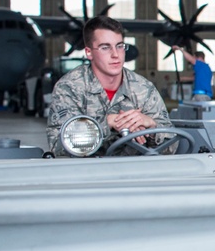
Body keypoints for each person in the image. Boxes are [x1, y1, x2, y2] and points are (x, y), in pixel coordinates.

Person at [48, 15, 173, 156]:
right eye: (105, 47)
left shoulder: (143, 88)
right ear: (89, 52)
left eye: (119, 46)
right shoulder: (69, 88)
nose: (115, 54)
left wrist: (151, 127)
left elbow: (172, 147)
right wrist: (106, 124)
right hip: (87, 175)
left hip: (135, 173)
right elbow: (59, 150)